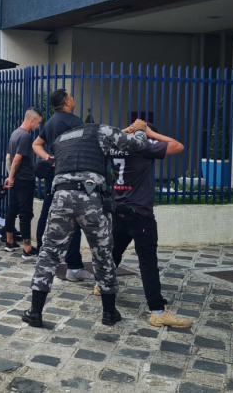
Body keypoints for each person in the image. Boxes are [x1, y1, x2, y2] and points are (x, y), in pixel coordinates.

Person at [22, 119, 149, 328]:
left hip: (61, 196)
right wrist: (140, 130)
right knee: (102, 254)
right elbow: (137, 145)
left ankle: (35, 311)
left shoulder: (62, 139)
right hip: (91, 198)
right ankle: (109, 313)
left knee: (49, 254)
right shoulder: (102, 129)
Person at [106, 123, 190, 328]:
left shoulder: (113, 146)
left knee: (114, 251)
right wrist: (149, 132)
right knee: (148, 262)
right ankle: (158, 311)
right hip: (140, 212)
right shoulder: (144, 146)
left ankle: (103, 285)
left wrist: (125, 131)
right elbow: (178, 146)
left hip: (119, 207)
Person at [31, 89, 94, 274]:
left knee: (48, 211)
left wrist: (49, 159)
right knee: (74, 217)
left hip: (55, 175)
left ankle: (42, 253)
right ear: (67, 102)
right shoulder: (73, 122)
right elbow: (83, 147)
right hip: (71, 176)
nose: (73, 98)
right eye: (71, 96)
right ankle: (74, 265)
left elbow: (36, 144)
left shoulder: (51, 122)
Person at [3, 108, 44, 253]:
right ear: (32, 120)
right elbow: (17, 159)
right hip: (24, 179)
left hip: (16, 179)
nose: (38, 126)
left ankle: (10, 241)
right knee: (25, 213)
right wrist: (12, 177)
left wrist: (10, 176)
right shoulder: (25, 136)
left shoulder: (15, 133)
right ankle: (27, 248)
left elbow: (8, 157)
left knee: (12, 209)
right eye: (38, 123)